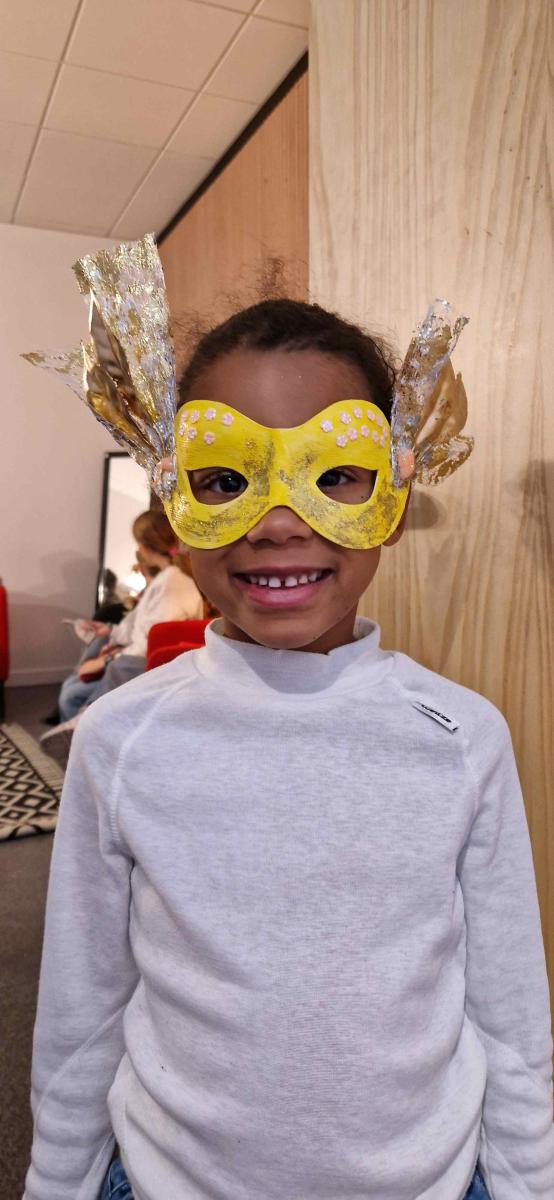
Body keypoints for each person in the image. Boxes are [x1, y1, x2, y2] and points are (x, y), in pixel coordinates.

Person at [23, 289, 554, 1199]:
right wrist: (57, 1180)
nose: (276, 522)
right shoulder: (121, 737)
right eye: (224, 480)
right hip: (168, 1179)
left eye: (336, 474)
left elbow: (507, 1005)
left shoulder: (463, 737)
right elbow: (83, 1002)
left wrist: (529, 1181)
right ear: (173, 500)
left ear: (394, 494)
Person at [40, 509, 204, 765]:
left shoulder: (173, 583)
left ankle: (85, 738)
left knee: (74, 693)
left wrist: (108, 659)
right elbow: (135, 625)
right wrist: (109, 631)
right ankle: (81, 746)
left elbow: (153, 640)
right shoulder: (165, 579)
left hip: (146, 666)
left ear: (144, 546)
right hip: (136, 657)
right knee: (74, 686)